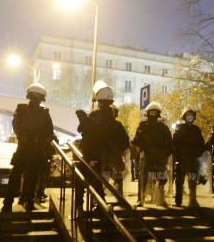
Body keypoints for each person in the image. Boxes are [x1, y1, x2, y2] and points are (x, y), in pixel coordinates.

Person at [1, 83, 55, 212]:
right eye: (34, 97)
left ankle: (29, 201)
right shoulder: (21, 109)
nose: (36, 100)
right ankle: (8, 202)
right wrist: (24, 137)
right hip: (25, 148)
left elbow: (49, 129)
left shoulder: (44, 112)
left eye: (38, 97)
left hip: (37, 149)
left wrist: (46, 140)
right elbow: (16, 125)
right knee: (16, 176)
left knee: (33, 176)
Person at [74, 81, 129, 209]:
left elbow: (84, 131)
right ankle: (100, 204)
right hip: (104, 157)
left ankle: (81, 204)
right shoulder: (114, 122)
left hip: (93, 155)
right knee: (95, 179)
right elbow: (124, 142)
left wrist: (83, 119)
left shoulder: (94, 117)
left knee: (83, 177)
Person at [133, 102, 173, 207]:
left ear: (158, 113)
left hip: (160, 157)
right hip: (146, 156)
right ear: (148, 113)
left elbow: (169, 141)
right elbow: (135, 141)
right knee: (143, 178)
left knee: (163, 178)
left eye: (155, 112)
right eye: (151, 112)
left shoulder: (163, 127)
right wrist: (141, 148)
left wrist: (168, 151)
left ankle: (160, 198)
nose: (153, 114)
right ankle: (140, 199)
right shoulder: (143, 126)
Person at [172, 106, 205, 207]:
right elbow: (175, 142)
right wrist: (177, 156)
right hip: (182, 158)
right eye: (187, 115)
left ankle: (193, 200)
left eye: (191, 115)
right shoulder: (179, 128)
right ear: (184, 116)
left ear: (194, 117)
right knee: (180, 180)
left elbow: (201, 143)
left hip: (193, 159)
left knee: (193, 180)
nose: (189, 117)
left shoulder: (196, 129)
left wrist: (199, 152)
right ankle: (178, 201)